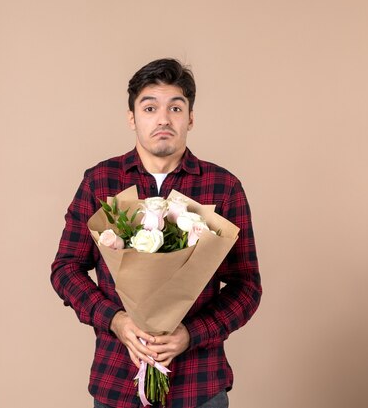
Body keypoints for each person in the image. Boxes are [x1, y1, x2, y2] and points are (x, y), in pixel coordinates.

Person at [50, 58, 262, 408]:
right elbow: (65, 269)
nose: (163, 119)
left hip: (200, 385)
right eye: (150, 107)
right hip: (117, 381)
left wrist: (191, 335)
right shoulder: (100, 182)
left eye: (175, 108)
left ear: (190, 118)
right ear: (132, 117)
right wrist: (116, 321)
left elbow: (247, 287)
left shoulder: (222, 187)